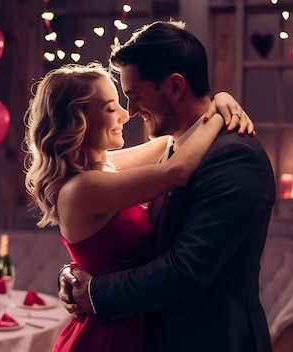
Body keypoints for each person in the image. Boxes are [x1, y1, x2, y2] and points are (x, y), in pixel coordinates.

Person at [58, 20, 276, 352]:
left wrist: (95, 292)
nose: (130, 111)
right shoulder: (175, 147)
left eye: (135, 96)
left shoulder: (234, 156)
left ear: (175, 87)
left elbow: (186, 270)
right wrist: (78, 273)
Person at [23, 59, 253, 351]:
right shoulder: (82, 188)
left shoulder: (101, 170)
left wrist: (219, 99)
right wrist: (220, 112)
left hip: (127, 324)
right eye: (110, 108)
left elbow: (169, 143)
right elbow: (176, 172)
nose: (124, 114)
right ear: (76, 121)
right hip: (105, 336)